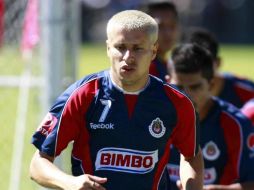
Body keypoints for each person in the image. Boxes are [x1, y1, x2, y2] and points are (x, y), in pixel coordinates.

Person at [29, 10, 204, 190]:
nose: (128, 57)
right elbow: (37, 164)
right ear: (108, 48)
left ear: (153, 51)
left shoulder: (177, 102)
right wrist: (70, 182)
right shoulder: (83, 95)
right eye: (120, 47)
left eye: (137, 48)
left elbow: (191, 155)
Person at [167, 43, 254, 190]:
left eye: (195, 87)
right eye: (179, 87)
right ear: (168, 81)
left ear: (212, 84)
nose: (186, 96)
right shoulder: (152, 118)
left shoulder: (236, 124)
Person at [181, 27, 254, 108]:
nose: (197, 70)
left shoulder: (246, 92)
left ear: (218, 63)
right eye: (191, 63)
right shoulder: (172, 92)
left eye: (205, 63)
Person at [140, 1, 179, 81]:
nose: (168, 33)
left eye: (172, 26)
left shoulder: (169, 66)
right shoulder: (141, 70)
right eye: (160, 26)